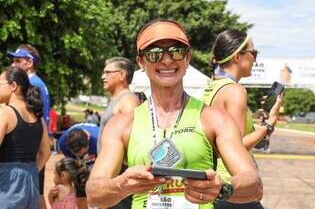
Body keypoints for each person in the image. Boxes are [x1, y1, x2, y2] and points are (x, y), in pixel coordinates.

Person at [86, 19, 262, 209]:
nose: (167, 59)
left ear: (188, 58)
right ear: (141, 62)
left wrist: (223, 188)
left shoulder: (214, 118)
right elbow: (94, 194)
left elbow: (254, 184)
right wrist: (122, 185)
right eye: (154, 54)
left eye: (176, 51)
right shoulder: (121, 124)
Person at [201, 29, 283, 208]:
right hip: (234, 188)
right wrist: (268, 125)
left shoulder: (211, 88)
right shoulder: (235, 91)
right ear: (237, 56)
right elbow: (237, 147)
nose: (255, 59)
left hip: (215, 187)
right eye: (253, 53)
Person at [0, 66, 51, 208]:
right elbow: (46, 153)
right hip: (30, 184)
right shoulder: (38, 117)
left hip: (6, 184)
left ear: (13, 86)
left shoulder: (5, 113)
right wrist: (31, 171)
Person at [97, 57, 140, 152]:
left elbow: (133, 142)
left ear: (122, 75)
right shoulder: (117, 99)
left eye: (108, 73)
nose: (103, 77)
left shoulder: (128, 100)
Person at [58, 123, 99, 209]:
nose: (82, 155)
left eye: (84, 153)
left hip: (99, 156)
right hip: (80, 163)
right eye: (77, 154)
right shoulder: (63, 143)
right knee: (80, 192)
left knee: (102, 194)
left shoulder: (99, 139)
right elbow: (73, 163)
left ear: (88, 140)